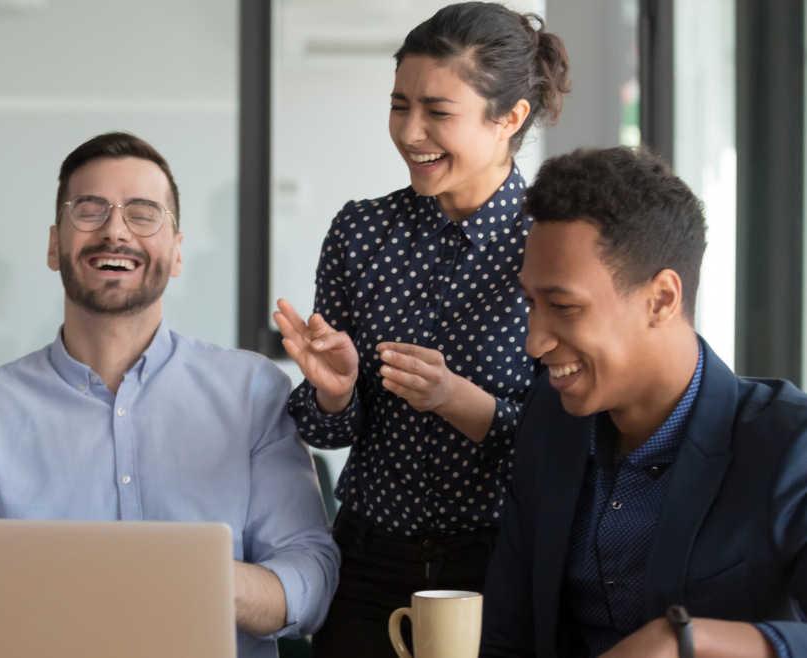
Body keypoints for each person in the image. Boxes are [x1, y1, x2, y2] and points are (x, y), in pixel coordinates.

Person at [0, 132, 340, 658]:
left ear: (178, 251)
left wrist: (185, 575)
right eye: (90, 210)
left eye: (143, 214)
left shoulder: (253, 392)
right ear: (55, 245)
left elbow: (311, 581)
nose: (115, 230)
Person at [271, 3, 570, 654]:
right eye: (399, 104)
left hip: (500, 561)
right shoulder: (361, 232)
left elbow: (573, 446)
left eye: (437, 111)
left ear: (509, 118)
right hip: (369, 558)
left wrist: (459, 402)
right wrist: (335, 390)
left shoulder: (554, 244)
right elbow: (324, 432)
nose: (410, 132)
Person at [482, 146, 807, 657]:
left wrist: (686, 642)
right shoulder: (548, 419)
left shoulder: (789, 444)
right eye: (530, 303)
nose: (534, 341)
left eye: (563, 307)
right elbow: (506, 636)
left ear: (661, 300)